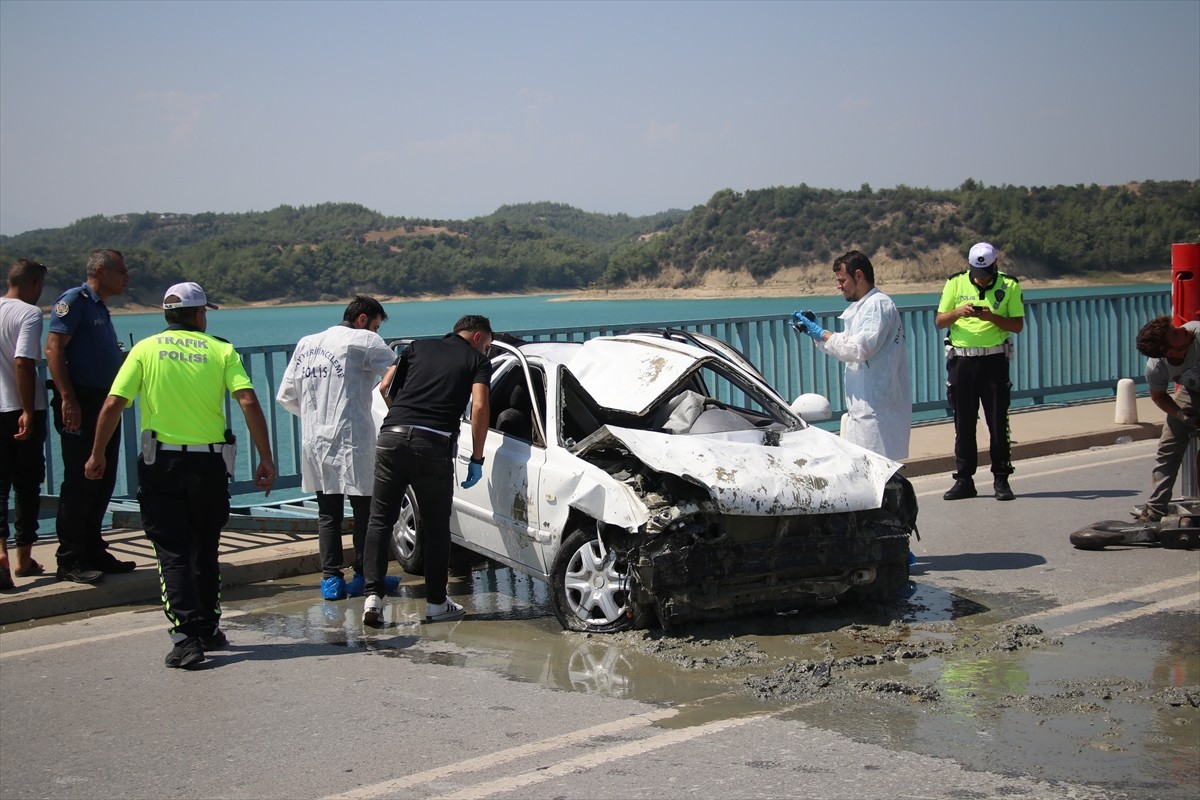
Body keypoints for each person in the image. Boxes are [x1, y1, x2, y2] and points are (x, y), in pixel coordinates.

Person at [84, 282, 276, 670]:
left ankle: (186, 637)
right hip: (209, 465)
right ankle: (207, 627)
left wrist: (97, 453)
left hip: (162, 464)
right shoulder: (221, 349)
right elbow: (248, 400)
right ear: (200, 314)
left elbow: (113, 404)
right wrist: (266, 458)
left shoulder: (145, 349)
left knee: (171, 551)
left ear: (167, 315)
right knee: (205, 546)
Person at [360, 314, 493, 626]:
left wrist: (402, 419)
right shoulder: (476, 360)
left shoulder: (417, 347)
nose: (486, 352)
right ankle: (435, 604)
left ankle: (372, 599)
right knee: (435, 527)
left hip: (391, 437)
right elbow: (479, 407)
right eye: (487, 345)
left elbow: (384, 387)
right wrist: (476, 457)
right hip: (432, 445)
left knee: (379, 521)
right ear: (476, 337)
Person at [276, 296, 400, 600]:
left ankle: (331, 579)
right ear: (362, 319)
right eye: (375, 325)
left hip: (316, 439)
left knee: (328, 513)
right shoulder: (363, 340)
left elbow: (287, 395)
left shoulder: (308, 343)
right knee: (366, 512)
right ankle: (366, 576)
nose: (376, 331)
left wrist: (317, 416)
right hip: (352, 438)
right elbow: (399, 367)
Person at [44, 248, 134, 583]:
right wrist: (68, 398)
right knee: (81, 481)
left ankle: (93, 548)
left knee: (103, 478)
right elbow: (53, 348)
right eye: (121, 271)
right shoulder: (75, 300)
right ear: (100, 270)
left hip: (104, 403)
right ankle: (69, 558)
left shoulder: (98, 306)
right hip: (81, 401)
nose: (126, 277)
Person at [791, 250, 911, 460]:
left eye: (842, 280)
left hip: (877, 408)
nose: (838, 286)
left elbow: (858, 349)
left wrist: (821, 333)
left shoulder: (877, 305)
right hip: (866, 407)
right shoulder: (865, 306)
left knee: (879, 470)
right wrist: (816, 334)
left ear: (858, 275)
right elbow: (844, 346)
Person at [935, 242, 1024, 501]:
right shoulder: (955, 283)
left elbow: (1017, 325)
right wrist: (958, 312)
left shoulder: (1010, 285)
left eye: (985, 274)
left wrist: (991, 317)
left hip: (994, 360)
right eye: (976, 273)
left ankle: (1001, 479)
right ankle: (964, 480)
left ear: (995, 265)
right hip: (962, 361)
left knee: (997, 422)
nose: (980, 278)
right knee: (963, 423)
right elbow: (940, 321)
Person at [1, 260, 49, 589]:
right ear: (33, 284)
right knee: (28, 484)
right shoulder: (29, 314)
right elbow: (22, 360)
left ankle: (0, 555)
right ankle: (23, 558)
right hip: (18, 408)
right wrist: (29, 411)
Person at [1133, 315, 1200, 522]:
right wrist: (1180, 414)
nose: (1182, 329)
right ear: (1168, 352)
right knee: (1168, 446)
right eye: (1174, 333)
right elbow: (1159, 396)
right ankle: (1155, 511)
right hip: (1193, 391)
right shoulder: (1157, 368)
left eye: (1175, 327)